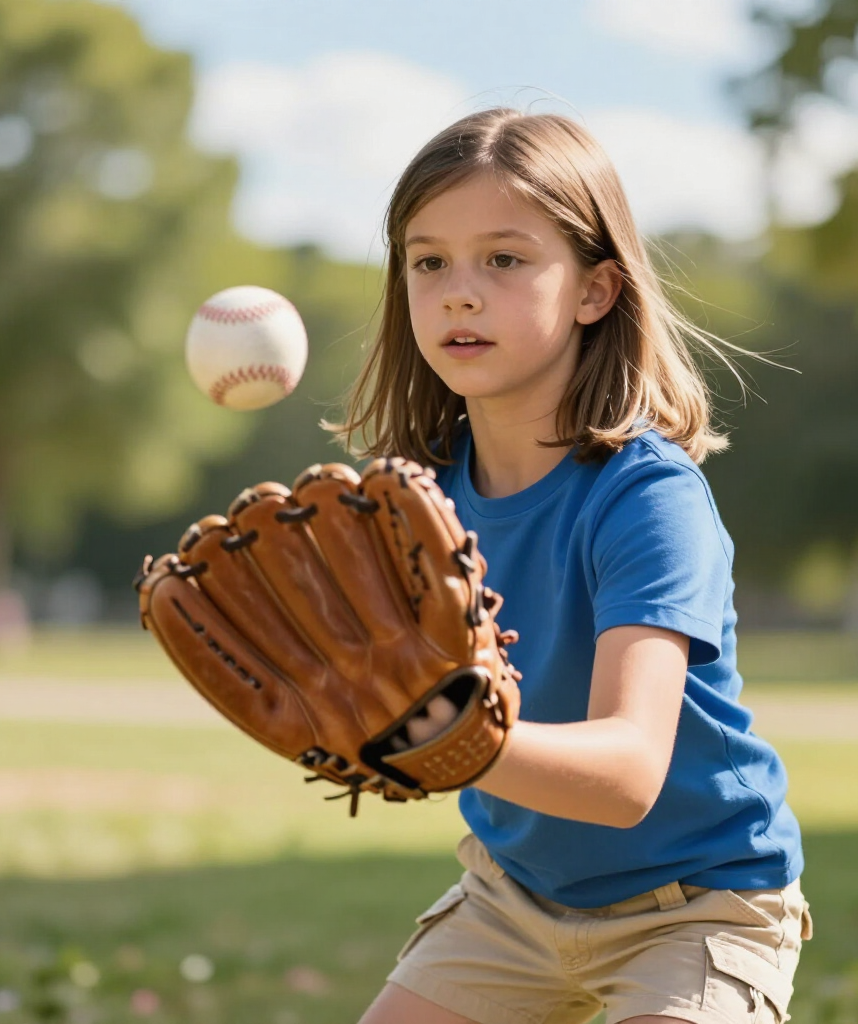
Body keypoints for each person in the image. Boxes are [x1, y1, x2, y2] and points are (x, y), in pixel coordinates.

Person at [325, 107, 812, 1024]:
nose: (458, 293)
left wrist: (453, 740)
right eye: (429, 261)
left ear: (595, 291)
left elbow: (627, 774)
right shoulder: (412, 500)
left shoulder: (645, 495)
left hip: (698, 904)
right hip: (513, 898)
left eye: (504, 259)